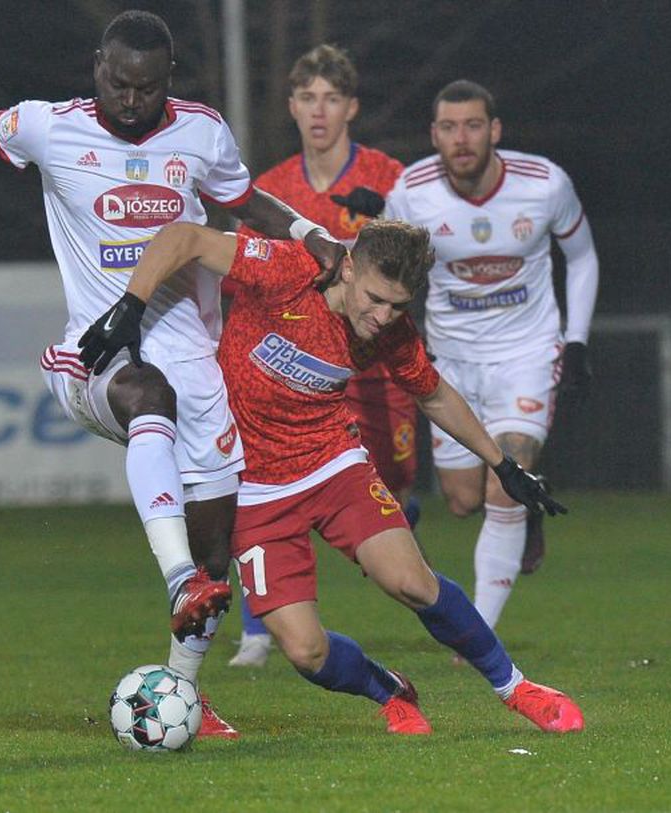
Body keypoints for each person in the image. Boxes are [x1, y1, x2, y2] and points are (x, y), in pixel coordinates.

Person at [0, 10, 343, 739]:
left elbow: (244, 199)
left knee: (215, 549)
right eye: (114, 80)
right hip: (92, 349)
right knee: (148, 395)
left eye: (143, 87)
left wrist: (307, 231)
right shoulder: (50, 126)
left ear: (167, 80)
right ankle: (177, 580)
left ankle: (189, 692)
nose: (127, 98)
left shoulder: (201, 131)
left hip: (194, 358)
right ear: (96, 66)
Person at [79, 218, 584, 735]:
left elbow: (431, 393)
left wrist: (500, 463)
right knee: (305, 651)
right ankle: (387, 689)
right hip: (252, 488)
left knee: (412, 583)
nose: (384, 316)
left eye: (398, 306)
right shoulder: (284, 271)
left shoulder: (387, 333)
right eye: (375, 298)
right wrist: (131, 306)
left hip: (333, 464)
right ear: (347, 267)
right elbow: (182, 238)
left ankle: (518, 689)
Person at [383, 79, 599, 630]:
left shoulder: (545, 183)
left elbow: (582, 257)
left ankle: (479, 632)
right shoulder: (412, 192)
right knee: (460, 500)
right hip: (450, 362)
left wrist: (575, 341)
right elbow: (388, 272)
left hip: (526, 353)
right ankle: (526, 515)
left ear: (495, 130)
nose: (462, 139)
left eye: (473, 126)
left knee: (506, 480)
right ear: (434, 135)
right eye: (449, 128)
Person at [226, 44, 416, 669]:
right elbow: (246, 279)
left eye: (331, 98)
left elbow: (418, 265)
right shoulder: (272, 190)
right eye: (307, 97)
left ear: (350, 107)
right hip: (295, 366)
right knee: (268, 478)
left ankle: (393, 541)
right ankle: (260, 627)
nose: (318, 110)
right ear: (291, 106)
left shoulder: (391, 178)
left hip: (371, 363)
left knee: (393, 483)